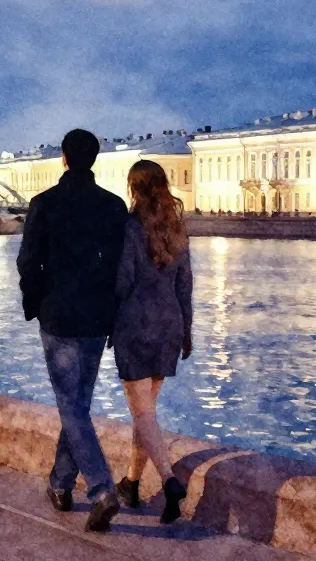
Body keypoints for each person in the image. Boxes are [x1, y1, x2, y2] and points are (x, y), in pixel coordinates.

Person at [17, 128, 127, 532]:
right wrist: (114, 312)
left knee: (71, 404)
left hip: (59, 316)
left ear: (63, 158)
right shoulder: (113, 207)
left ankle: (101, 489)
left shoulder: (44, 204)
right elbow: (121, 268)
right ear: (94, 159)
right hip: (97, 318)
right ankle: (61, 484)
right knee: (77, 402)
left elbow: (28, 262)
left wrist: (35, 304)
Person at [110, 160, 193, 523]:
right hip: (169, 325)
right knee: (145, 413)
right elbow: (185, 285)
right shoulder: (177, 227)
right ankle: (130, 483)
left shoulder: (129, 227)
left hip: (136, 325)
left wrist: (107, 318)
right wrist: (187, 332)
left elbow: (123, 281)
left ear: (134, 188)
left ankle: (170, 481)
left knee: (142, 412)